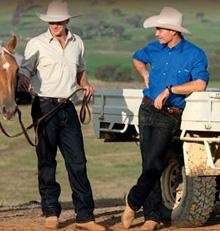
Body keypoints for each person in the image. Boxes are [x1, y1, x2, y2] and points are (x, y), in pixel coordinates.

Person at [18, 1, 105, 230]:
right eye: (51, 21)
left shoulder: (78, 43)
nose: (54, 25)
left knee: (78, 162)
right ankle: (50, 212)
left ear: (67, 21)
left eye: (58, 21)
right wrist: (24, 79)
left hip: (68, 107)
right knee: (46, 161)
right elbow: (26, 69)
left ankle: (85, 217)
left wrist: (86, 84)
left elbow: (80, 72)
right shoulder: (36, 43)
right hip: (44, 107)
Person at [121, 6, 209, 231]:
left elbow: (200, 84)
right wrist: (145, 74)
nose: (156, 33)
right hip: (147, 110)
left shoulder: (195, 54)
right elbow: (136, 58)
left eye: (160, 29)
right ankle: (152, 216)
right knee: (148, 164)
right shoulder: (153, 49)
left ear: (173, 31)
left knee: (155, 163)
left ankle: (132, 201)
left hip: (169, 115)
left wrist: (170, 90)